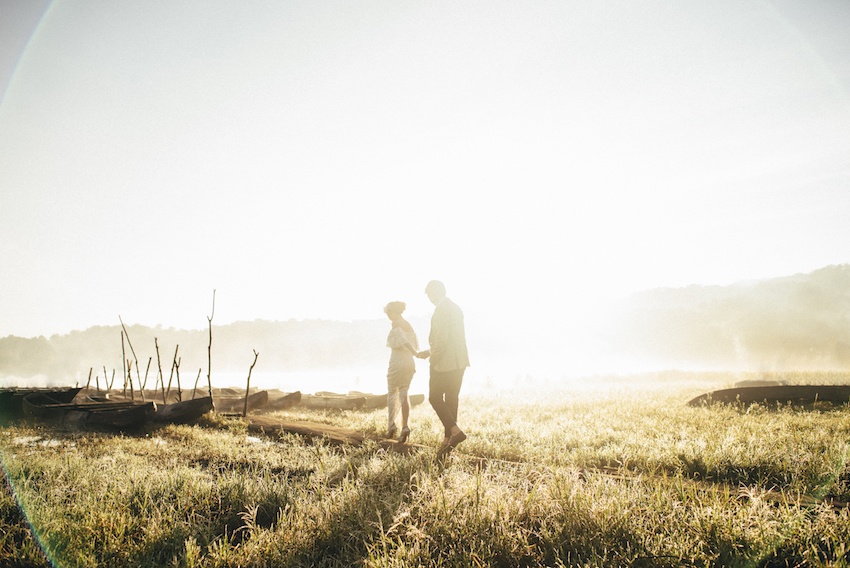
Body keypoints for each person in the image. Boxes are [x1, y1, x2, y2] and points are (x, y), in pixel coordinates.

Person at [416, 280, 469, 456]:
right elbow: (452, 338)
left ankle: (455, 432)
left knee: (434, 397)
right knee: (451, 399)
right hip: (459, 362)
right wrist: (429, 351)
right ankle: (448, 440)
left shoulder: (440, 310)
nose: (429, 299)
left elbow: (441, 339)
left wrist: (433, 358)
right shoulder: (455, 307)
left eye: (429, 295)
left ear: (434, 293)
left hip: (444, 363)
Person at [383, 301, 419, 444]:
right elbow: (411, 341)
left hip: (398, 362)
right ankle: (405, 427)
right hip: (408, 362)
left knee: (392, 392)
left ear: (395, 312)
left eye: (389, 313)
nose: (388, 315)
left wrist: (415, 353)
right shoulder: (408, 325)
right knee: (404, 392)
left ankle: (392, 425)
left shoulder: (396, 324)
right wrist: (414, 354)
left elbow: (404, 342)